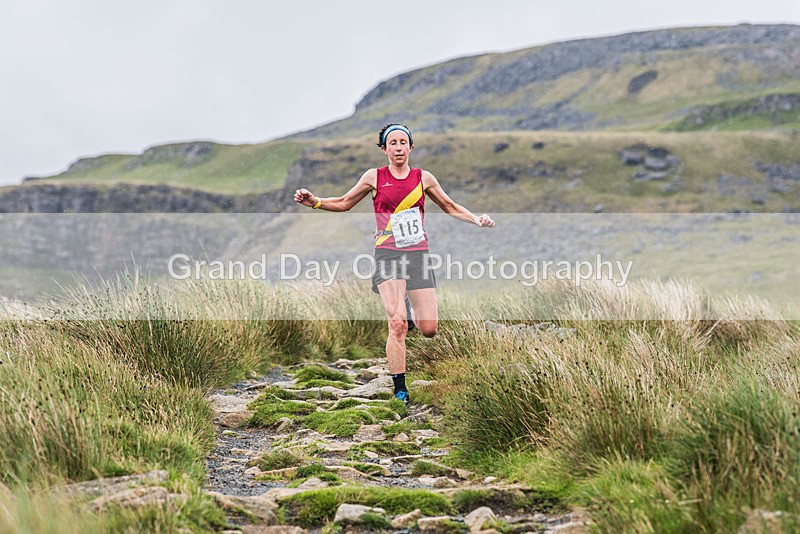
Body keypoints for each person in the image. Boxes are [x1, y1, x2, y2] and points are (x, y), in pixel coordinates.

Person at [293, 124, 495, 404]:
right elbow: (344, 202)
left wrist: (476, 219)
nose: (398, 148)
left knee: (429, 329)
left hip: (418, 255)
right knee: (397, 323)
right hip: (388, 254)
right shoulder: (374, 177)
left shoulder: (423, 178)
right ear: (384, 149)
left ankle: (409, 310)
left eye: (403, 142)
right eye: (393, 143)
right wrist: (315, 202)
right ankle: (400, 388)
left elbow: (450, 206)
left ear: (411, 147)